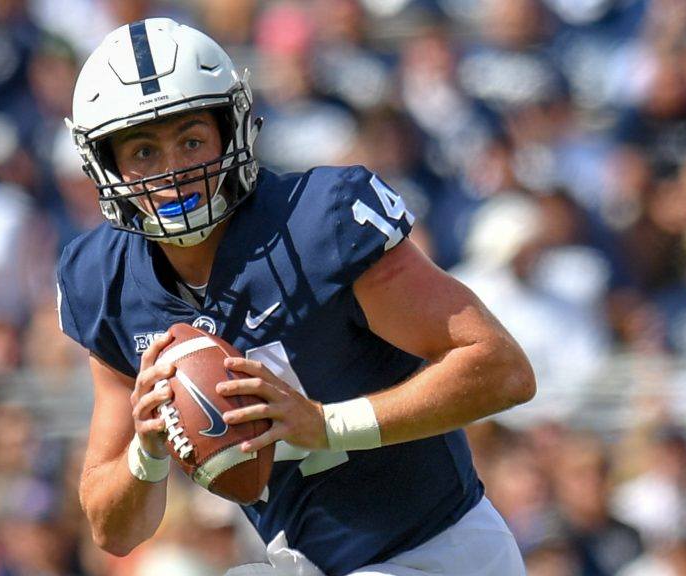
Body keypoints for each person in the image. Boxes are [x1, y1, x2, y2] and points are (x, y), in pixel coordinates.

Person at [56, 18, 536, 576]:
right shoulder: (106, 282)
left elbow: (502, 369)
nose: (173, 172)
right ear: (104, 164)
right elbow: (113, 532)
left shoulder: (317, 225)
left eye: (190, 141)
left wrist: (328, 424)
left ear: (230, 128)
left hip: (434, 551)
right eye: (142, 152)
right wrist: (147, 452)